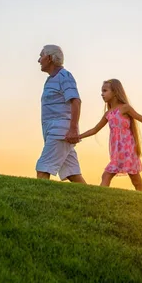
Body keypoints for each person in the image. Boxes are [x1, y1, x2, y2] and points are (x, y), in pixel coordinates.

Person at [78, 79, 142, 190]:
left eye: (105, 91)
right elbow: (95, 129)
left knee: (110, 175)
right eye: (102, 91)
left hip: (127, 149)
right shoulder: (108, 114)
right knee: (135, 180)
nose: (102, 94)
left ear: (115, 92)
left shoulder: (125, 108)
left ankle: (100, 197)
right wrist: (78, 136)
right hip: (117, 151)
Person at [36, 44, 86, 183]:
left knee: (43, 168)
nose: (39, 60)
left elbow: (76, 101)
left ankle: (40, 201)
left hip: (60, 131)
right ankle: (93, 202)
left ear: (50, 58)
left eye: (41, 55)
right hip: (54, 131)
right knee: (72, 173)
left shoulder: (65, 76)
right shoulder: (51, 79)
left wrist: (73, 129)